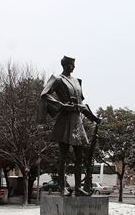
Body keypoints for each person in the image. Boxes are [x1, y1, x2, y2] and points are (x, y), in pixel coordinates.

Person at [39, 56, 100, 195]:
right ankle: (62, 188)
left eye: (74, 64)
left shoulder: (77, 81)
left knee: (79, 156)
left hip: (77, 121)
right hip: (64, 121)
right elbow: (44, 94)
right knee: (63, 156)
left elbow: (81, 104)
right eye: (70, 64)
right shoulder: (57, 79)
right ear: (64, 65)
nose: (72, 67)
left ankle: (78, 187)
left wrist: (94, 118)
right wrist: (60, 105)